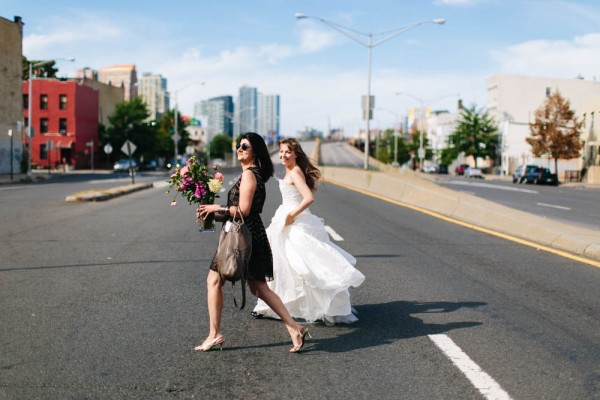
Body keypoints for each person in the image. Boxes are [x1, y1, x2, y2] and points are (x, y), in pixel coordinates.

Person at [196, 132, 309, 353]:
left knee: (217, 280)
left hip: (244, 236)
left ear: (254, 151)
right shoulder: (252, 173)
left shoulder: (249, 175)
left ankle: (215, 334)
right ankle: (294, 328)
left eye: (244, 146)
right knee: (257, 287)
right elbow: (241, 213)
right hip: (250, 233)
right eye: (238, 145)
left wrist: (215, 208)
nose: (239, 148)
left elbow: (244, 211)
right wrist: (212, 215)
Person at [253, 138, 365, 325]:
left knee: (299, 264)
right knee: (284, 264)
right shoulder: (292, 170)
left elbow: (308, 197)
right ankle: (274, 305)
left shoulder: (295, 171)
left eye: (287, 152)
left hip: (294, 220)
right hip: (286, 217)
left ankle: (289, 305)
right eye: (281, 152)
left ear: (296, 153)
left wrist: (292, 215)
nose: (283, 155)